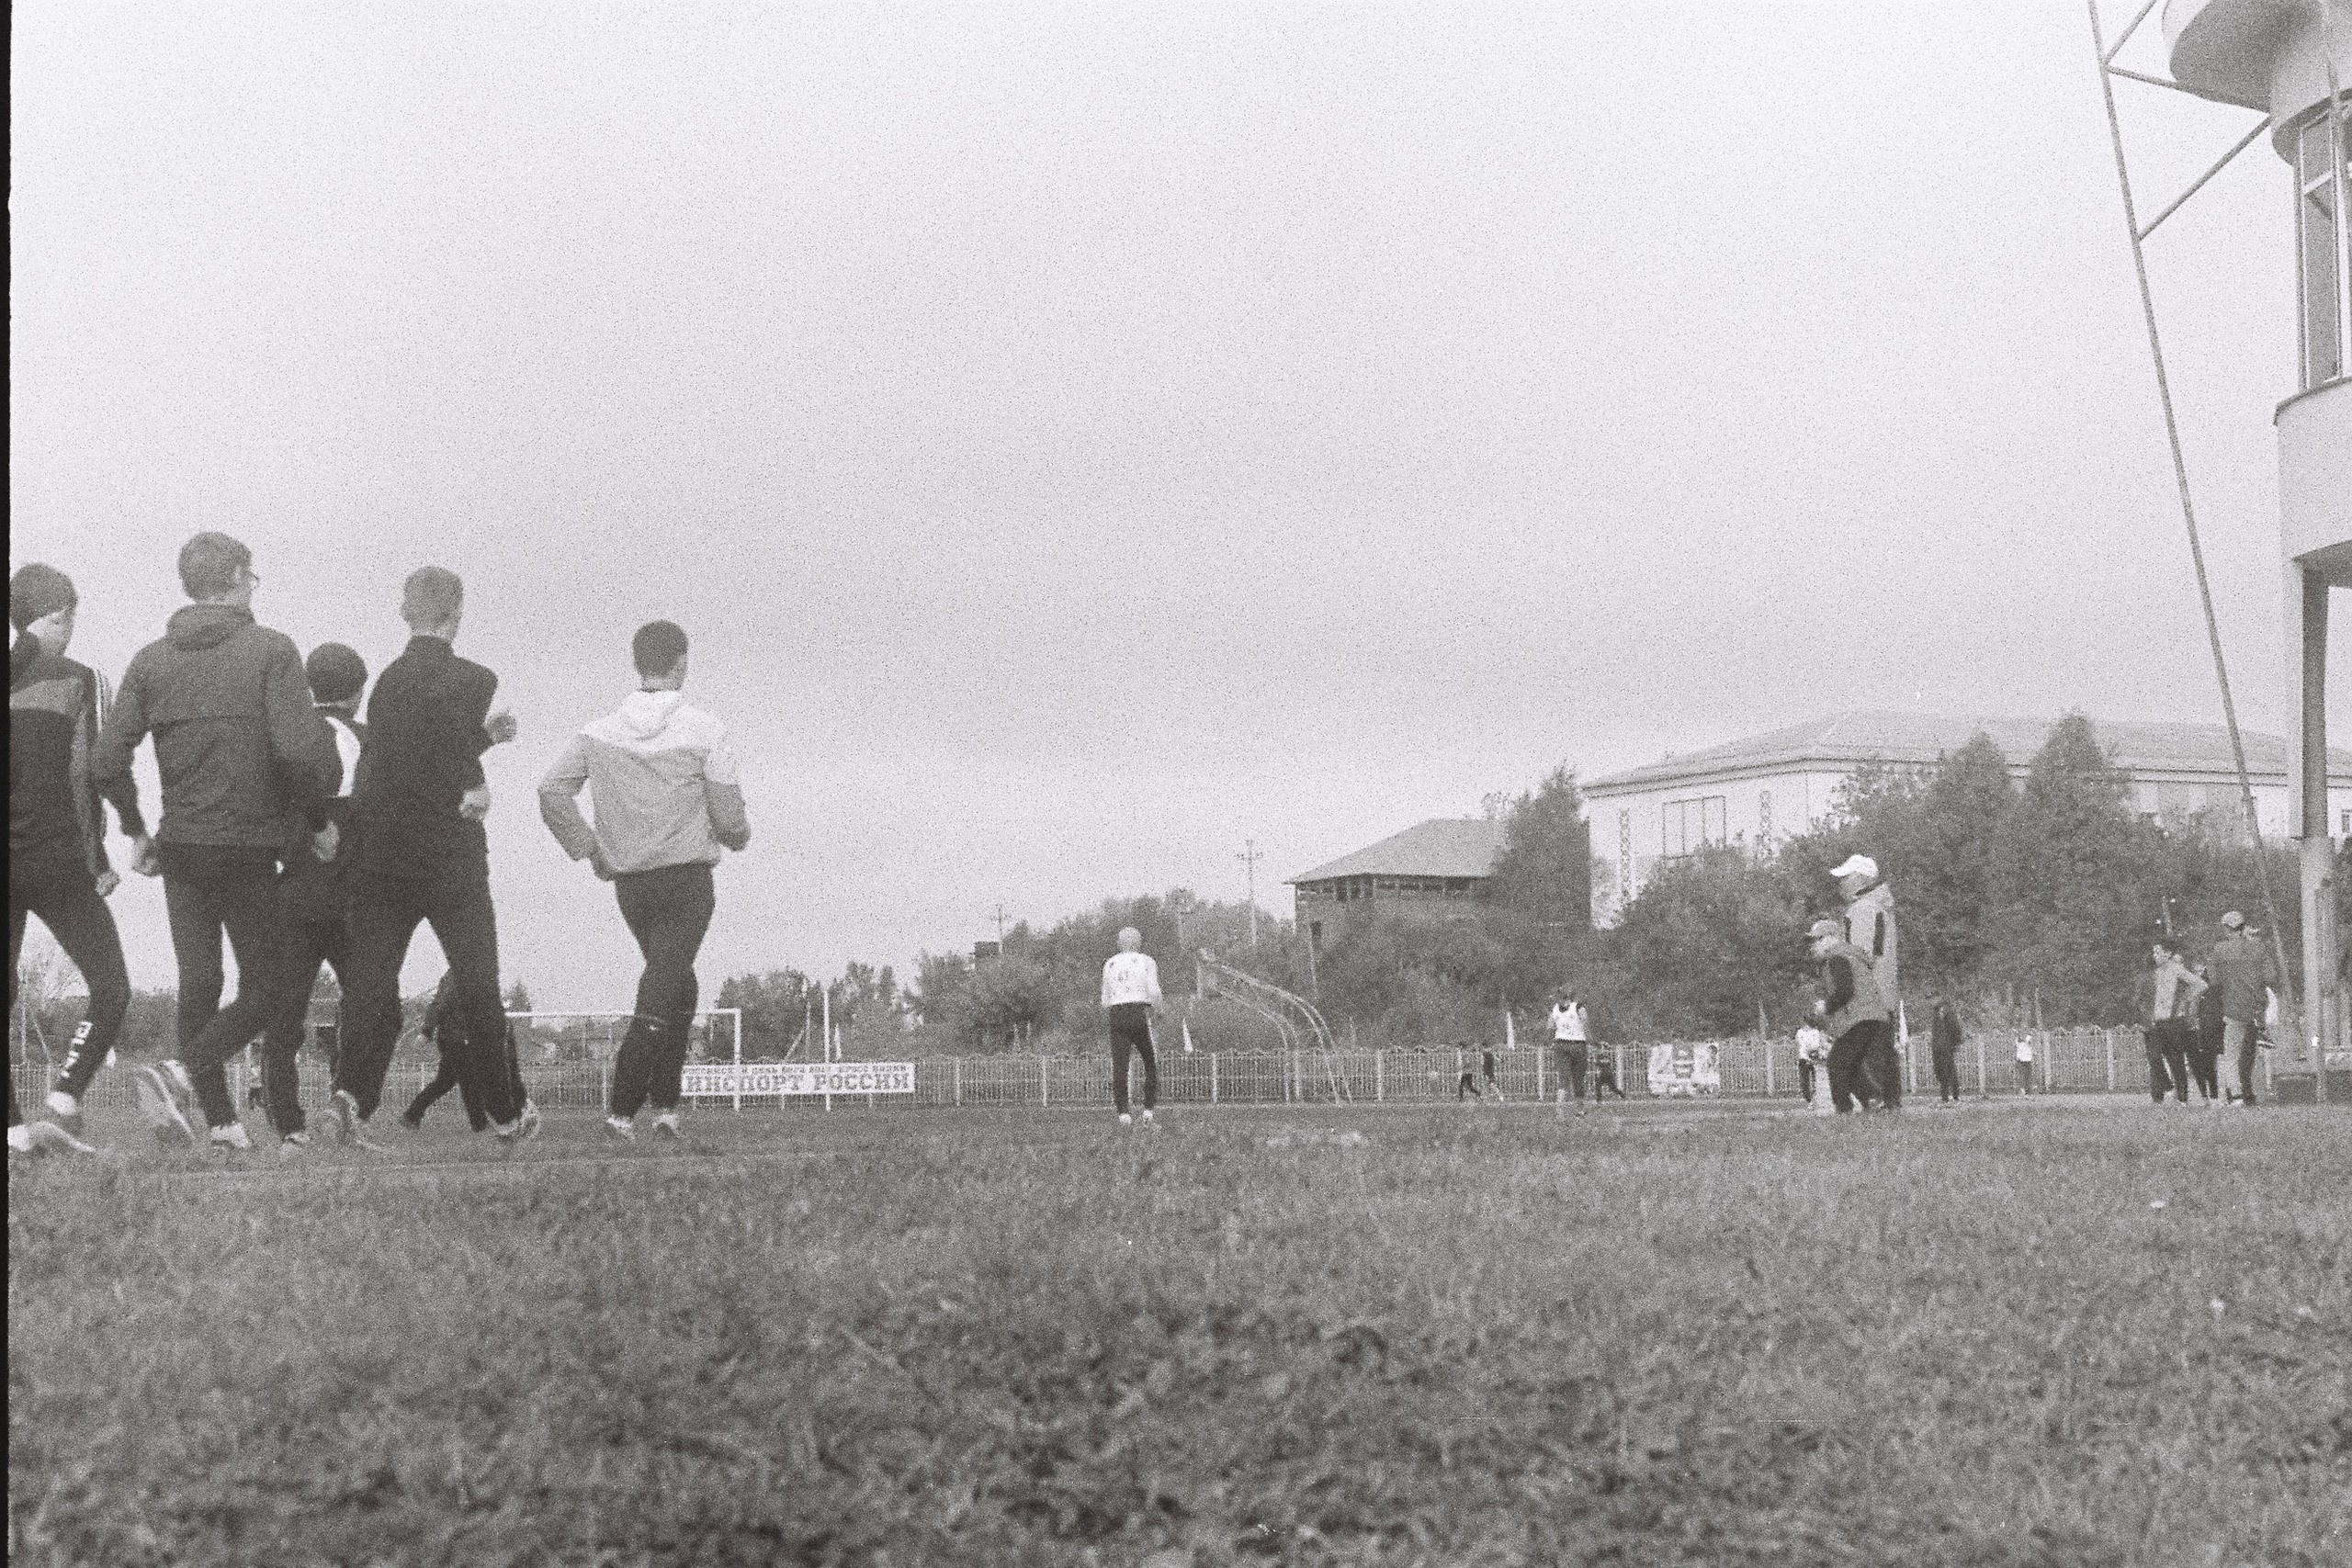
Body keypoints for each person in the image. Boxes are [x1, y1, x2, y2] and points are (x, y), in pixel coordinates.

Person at [90, 533, 340, 1153]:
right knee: (271, 990)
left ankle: (224, 1125)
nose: (253, 586)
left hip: (181, 845)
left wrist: (135, 828)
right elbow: (301, 750)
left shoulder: (150, 660)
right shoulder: (272, 651)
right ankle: (177, 1073)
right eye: (251, 576)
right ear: (233, 577)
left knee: (199, 980)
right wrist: (314, 819)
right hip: (250, 845)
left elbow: (105, 759)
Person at [334, 567, 537, 1147]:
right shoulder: (477, 678)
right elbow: (445, 739)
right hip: (449, 855)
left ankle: (350, 1096)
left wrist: (481, 742)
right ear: (458, 612)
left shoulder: (387, 685)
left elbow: (411, 753)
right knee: (478, 983)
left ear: (405, 614)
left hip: (383, 854)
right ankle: (503, 1111)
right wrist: (477, 766)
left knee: (372, 983)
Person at [538, 620, 751, 1145]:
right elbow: (727, 820)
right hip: (686, 880)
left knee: (679, 981)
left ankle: (667, 1108)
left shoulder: (597, 732)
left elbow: (551, 790)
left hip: (630, 884)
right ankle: (621, 1110)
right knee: (662, 986)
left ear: (638, 664)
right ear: (682, 662)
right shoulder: (706, 729)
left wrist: (589, 848)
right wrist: (740, 835)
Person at [11, 565, 150, 1143]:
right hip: (58, 863)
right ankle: (65, 1097)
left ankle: (13, 1131)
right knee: (111, 988)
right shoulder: (83, 679)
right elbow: (93, 769)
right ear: (60, 614)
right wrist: (125, 837)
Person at [251, 643, 375, 1154]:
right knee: (374, 1009)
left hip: (294, 895)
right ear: (358, 690)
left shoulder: (283, 739)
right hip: (352, 899)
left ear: (307, 685)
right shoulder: (368, 742)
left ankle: (290, 1131)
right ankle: (346, 1107)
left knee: (284, 1020)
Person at [1833, 854, 1901, 1110]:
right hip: (1884, 991)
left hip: (1869, 996)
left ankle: (1879, 1102)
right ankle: (1889, 1102)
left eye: (1845, 877)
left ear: (1860, 878)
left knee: (1857, 1056)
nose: (1840, 883)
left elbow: (1860, 955)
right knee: (1882, 1051)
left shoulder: (1862, 909)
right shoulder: (1879, 906)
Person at [1808, 916, 1892, 1114]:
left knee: (1837, 1062)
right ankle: (1874, 1100)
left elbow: (1846, 991)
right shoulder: (1852, 956)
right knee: (1850, 1064)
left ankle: (1843, 1109)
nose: (1813, 946)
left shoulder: (1837, 958)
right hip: (1874, 1017)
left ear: (1831, 938)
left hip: (1859, 1018)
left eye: (1817, 940)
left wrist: (1826, 1007)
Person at [401, 969, 492, 1132]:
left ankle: (411, 1115)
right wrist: (426, 1031)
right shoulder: (459, 977)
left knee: (445, 1082)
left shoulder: (462, 976)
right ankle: (480, 1126)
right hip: (455, 1039)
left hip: (455, 1038)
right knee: (469, 1082)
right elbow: (439, 1005)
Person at [2207, 911, 2275, 1108]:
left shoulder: (2219, 950)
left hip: (2234, 1008)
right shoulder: (2260, 949)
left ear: (2226, 929)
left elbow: (2215, 980)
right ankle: (2252, 1092)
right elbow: (2270, 977)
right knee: (2250, 1054)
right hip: (2257, 1009)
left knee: (2232, 1055)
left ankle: (2237, 1096)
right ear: (2244, 926)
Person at [1099, 927, 1161, 1126]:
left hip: (1116, 1014)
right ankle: (1148, 1111)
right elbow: (1154, 991)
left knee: (1120, 1066)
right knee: (1150, 1062)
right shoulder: (1146, 961)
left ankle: (1123, 1114)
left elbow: (1104, 1000)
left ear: (1119, 943)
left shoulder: (1110, 963)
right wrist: (1160, 1010)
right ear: (1139, 942)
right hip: (1139, 1012)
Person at [2141, 939, 2206, 1107]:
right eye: (2154, 952)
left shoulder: (2176, 969)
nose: (2155, 956)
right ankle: (2168, 1087)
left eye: (2158, 952)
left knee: (2175, 1060)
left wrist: (2185, 1000)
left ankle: (2182, 1099)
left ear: (2168, 954)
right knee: (2153, 1057)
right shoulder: (2155, 973)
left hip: (2174, 1021)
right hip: (2157, 1021)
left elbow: (2200, 984)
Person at [2190, 960, 2225, 1103]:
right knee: (2200, 1063)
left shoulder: (2214, 988)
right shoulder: (2192, 988)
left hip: (2211, 1028)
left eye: (2202, 971)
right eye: (2196, 971)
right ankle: (2207, 1094)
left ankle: (2215, 1094)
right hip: (2198, 1029)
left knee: (2211, 1061)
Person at [1549, 991, 1589, 1114]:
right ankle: (1580, 1109)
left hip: (1561, 1044)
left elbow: (1550, 1026)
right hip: (1577, 1044)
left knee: (1563, 1078)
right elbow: (1585, 1022)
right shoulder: (1578, 1007)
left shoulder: (1555, 1009)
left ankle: (1559, 1109)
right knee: (1578, 1078)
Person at [1928, 997, 1963, 1104]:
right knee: (1946, 1071)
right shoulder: (1943, 1014)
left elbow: (1954, 1030)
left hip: (1941, 1047)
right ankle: (1952, 1096)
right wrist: (1955, 1043)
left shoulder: (1941, 1014)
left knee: (1945, 1071)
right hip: (1943, 1046)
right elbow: (1956, 1030)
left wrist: (1953, 1043)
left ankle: (1948, 1096)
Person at [1794, 1019, 1828, 1105]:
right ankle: (1808, 1098)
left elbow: (1816, 1045)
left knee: (1815, 1079)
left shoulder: (1815, 1032)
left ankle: (1816, 1096)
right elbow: (1799, 1044)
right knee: (1804, 1080)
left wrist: (1813, 1051)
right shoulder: (1800, 1032)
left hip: (1814, 1058)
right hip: (1803, 1058)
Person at [2013, 1031, 2036, 1096]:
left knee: (2028, 1076)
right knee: (2021, 1076)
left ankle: (2027, 1091)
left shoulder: (2028, 1038)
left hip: (2028, 1060)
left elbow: (2029, 1042)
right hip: (2021, 1060)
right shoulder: (2018, 1040)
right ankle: (2021, 1090)